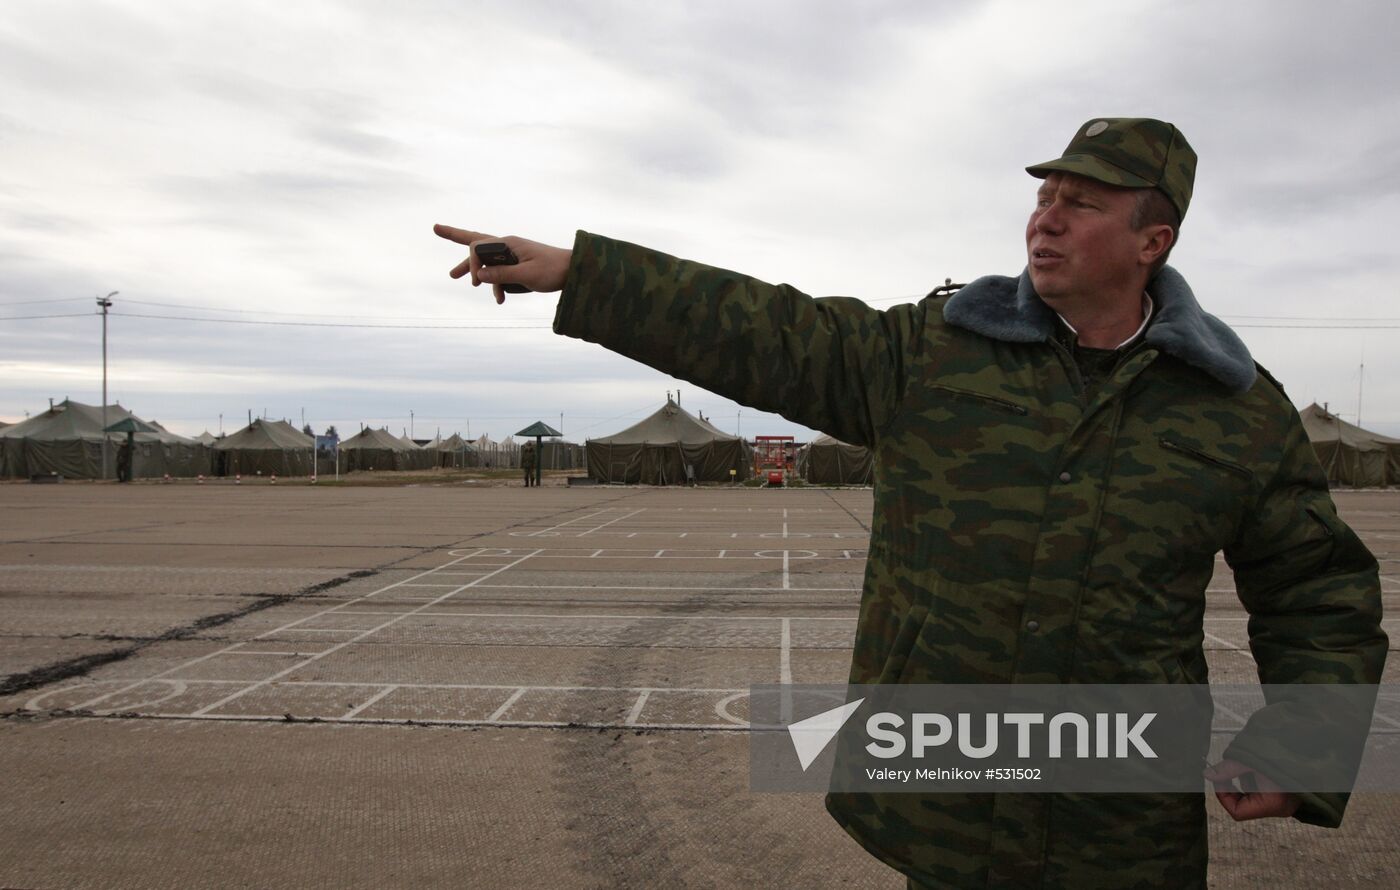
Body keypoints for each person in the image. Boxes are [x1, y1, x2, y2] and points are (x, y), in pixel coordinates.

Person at [433, 118, 1386, 888]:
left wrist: (1304, 745)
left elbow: (1319, 590)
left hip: (1121, 821)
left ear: (1153, 240)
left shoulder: (1231, 406)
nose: (1044, 221)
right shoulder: (935, 353)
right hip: (949, 805)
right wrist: (582, 273)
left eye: (1080, 205)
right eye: (1042, 199)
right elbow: (769, 331)